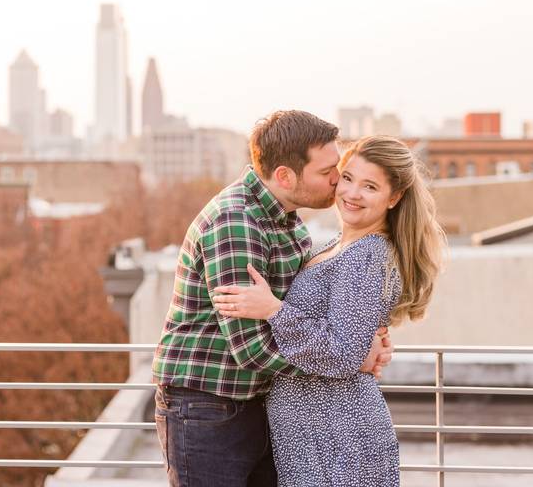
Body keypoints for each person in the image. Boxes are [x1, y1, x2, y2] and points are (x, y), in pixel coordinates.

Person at [151, 111, 394, 487]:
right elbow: (251, 349)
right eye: (328, 171)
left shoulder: (288, 219)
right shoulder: (237, 222)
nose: (337, 181)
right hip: (208, 408)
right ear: (285, 176)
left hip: (256, 404)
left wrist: (365, 336)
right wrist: (344, 362)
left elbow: (305, 310)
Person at [212, 135, 446, 486]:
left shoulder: (366, 257)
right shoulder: (337, 244)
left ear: (394, 197)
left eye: (369, 186)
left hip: (338, 436)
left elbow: (342, 354)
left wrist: (274, 310)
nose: (351, 193)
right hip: (313, 433)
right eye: (347, 178)